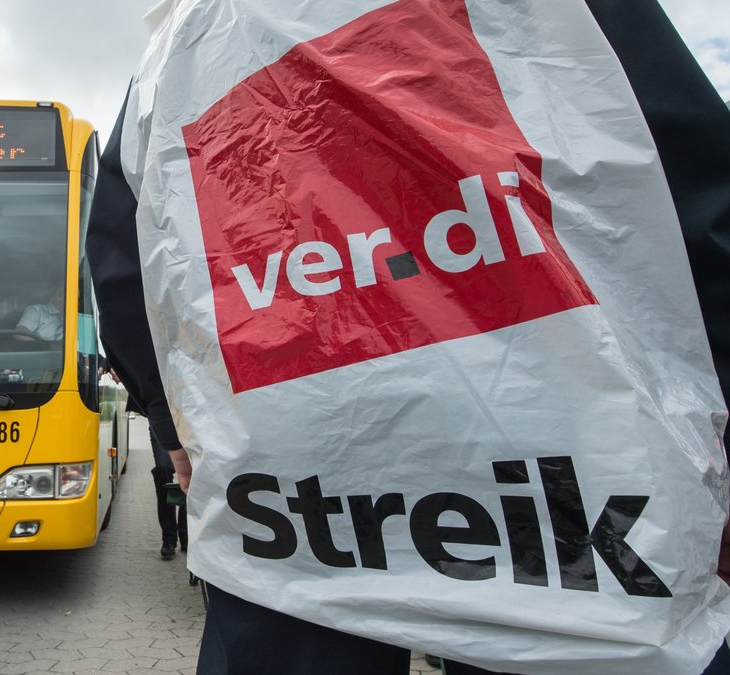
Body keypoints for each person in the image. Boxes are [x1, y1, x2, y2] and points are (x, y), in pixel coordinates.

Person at [87, 1, 730, 673]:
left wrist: (173, 420)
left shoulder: (176, 50)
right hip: (571, 479)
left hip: (288, 495)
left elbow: (125, 269)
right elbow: (682, 185)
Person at [150, 423, 188, 560]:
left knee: (194, 472)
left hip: (191, 420)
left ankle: (186, 534)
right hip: (162, 419)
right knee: (163, 469)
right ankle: (169, 538)